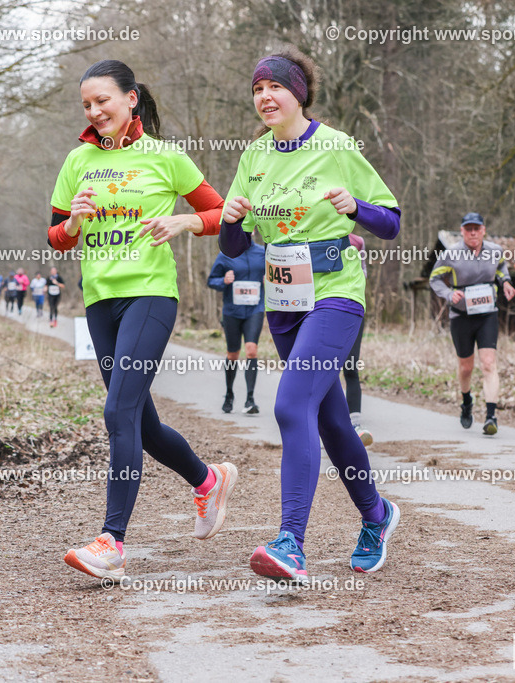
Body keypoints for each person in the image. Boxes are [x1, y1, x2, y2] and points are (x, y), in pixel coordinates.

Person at [49, 59, 237, 580]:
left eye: (103, 100)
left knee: (117, 412)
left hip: (150, 295)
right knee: (142, 422)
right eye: (87, 104)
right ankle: (207, 481)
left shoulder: (165, 157)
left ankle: (112, 541)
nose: (94, 110)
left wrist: (185, 220)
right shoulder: (77, 160)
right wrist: (75, 223)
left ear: (131, 99)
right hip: (99, 300)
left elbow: (223, 213)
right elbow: (55, 235)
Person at [220, 49, 402, 580]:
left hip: (336, 292)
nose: (265, 97)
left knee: (290, 404)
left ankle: (290, 543)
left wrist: (355, 209)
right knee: (329, 419)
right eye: (257, 89)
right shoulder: (254, 156)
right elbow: (235, 247)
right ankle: (377, 514)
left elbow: (389, 223)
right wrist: (231, 221)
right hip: (284, 299)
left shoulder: (337, 147)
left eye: (275, 87)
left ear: (298, 94)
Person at [429, 212, 515, 435]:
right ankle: (466, 402)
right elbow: (434, 279)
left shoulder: (495, 251)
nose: (473, 232)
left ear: (483, 230)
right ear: (462, 231)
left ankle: (491, 416)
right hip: (461, 316)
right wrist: (449, 295)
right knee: (466, 367)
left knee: (488, 363)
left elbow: (501, 268)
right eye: (468, 229)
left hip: (488, 314)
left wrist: (505, 282)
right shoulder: (451, 254)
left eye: (477, 228)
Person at [207, 234, 265, 414]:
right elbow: (211, 280)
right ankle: (229, 394)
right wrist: (223, 281)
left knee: (251, 350)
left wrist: (270, 280)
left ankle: (250, 399)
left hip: (255, 309)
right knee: (233, 354)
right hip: (232, 311)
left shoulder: (263, 253)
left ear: (253, 232)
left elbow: (277, 276)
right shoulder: (226, 254)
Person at [343, 232, 373, 446]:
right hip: (322, 312)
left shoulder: (358, 241)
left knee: (351, 367)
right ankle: (326, 424)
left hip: (352, 310)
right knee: (326, 369)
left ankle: (355, 424)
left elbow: (363, 273)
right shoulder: (314, 233)